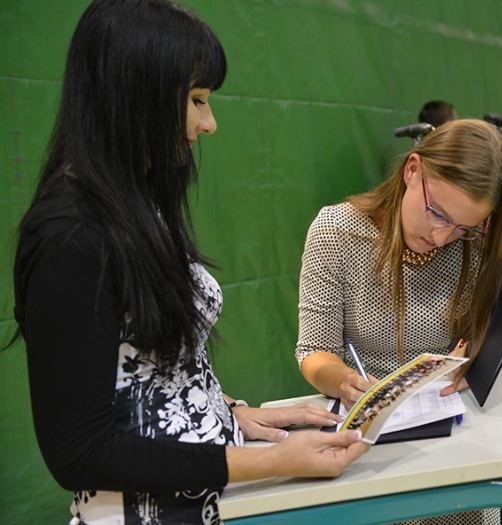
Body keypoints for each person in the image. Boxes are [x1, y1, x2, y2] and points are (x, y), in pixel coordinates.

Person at [7, 1, 367, 523]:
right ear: (136, 94)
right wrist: (268, 462)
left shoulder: (135, 201)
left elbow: (148, 376)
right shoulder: (72, 234)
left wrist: (232, 412)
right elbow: (80, 452)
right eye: (196, 100)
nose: (209, 123)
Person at [295, 119, 502, 409]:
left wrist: (474, 359)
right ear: (412, 170)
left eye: (463, 227)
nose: (442, 238)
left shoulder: (477, 244)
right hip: (365, 411)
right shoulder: (337, 231)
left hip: (446, 405)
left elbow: (487, 336)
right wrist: (345, 381)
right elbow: (315, 350)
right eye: (438, 214)